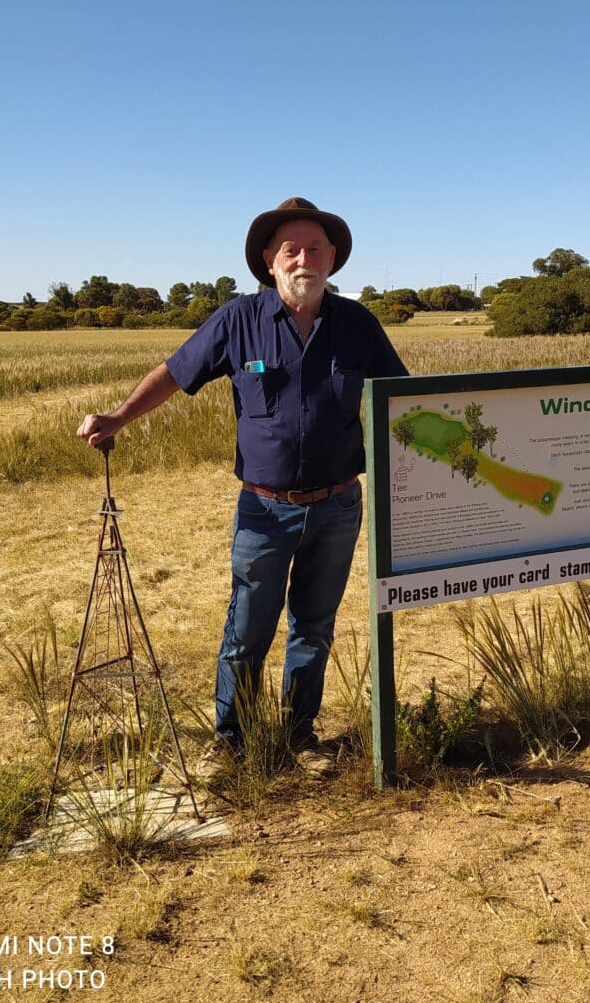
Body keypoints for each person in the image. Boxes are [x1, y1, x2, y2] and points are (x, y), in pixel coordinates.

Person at [77, 197, 407, 780]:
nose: (304, 258)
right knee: (247, 627)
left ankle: (300, 736)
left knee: (314, 626)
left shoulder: (359, 326)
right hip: (264, 508)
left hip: (338, 506)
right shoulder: (238, 320)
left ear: (332, 259)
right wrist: (118, 417)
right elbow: (175, 374)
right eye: (292, 249)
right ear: (269, 260)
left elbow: (402, 402)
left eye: (316, 249)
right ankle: (230, 743)